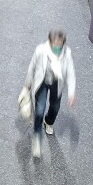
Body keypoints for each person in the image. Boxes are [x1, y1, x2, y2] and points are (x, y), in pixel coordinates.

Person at [24, 30, 76, 158]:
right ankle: (36, 138)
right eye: (55, 44)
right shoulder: (41, 51)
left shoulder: (67, 54)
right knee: (40, 110)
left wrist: (71, 93)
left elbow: (70, 73)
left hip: (56, 83)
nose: (57, 47)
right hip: (42, 82)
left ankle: (48, 121)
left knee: (55, 107)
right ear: (50, 42)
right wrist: (27, 83)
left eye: (60, 44)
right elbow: (32, 66)